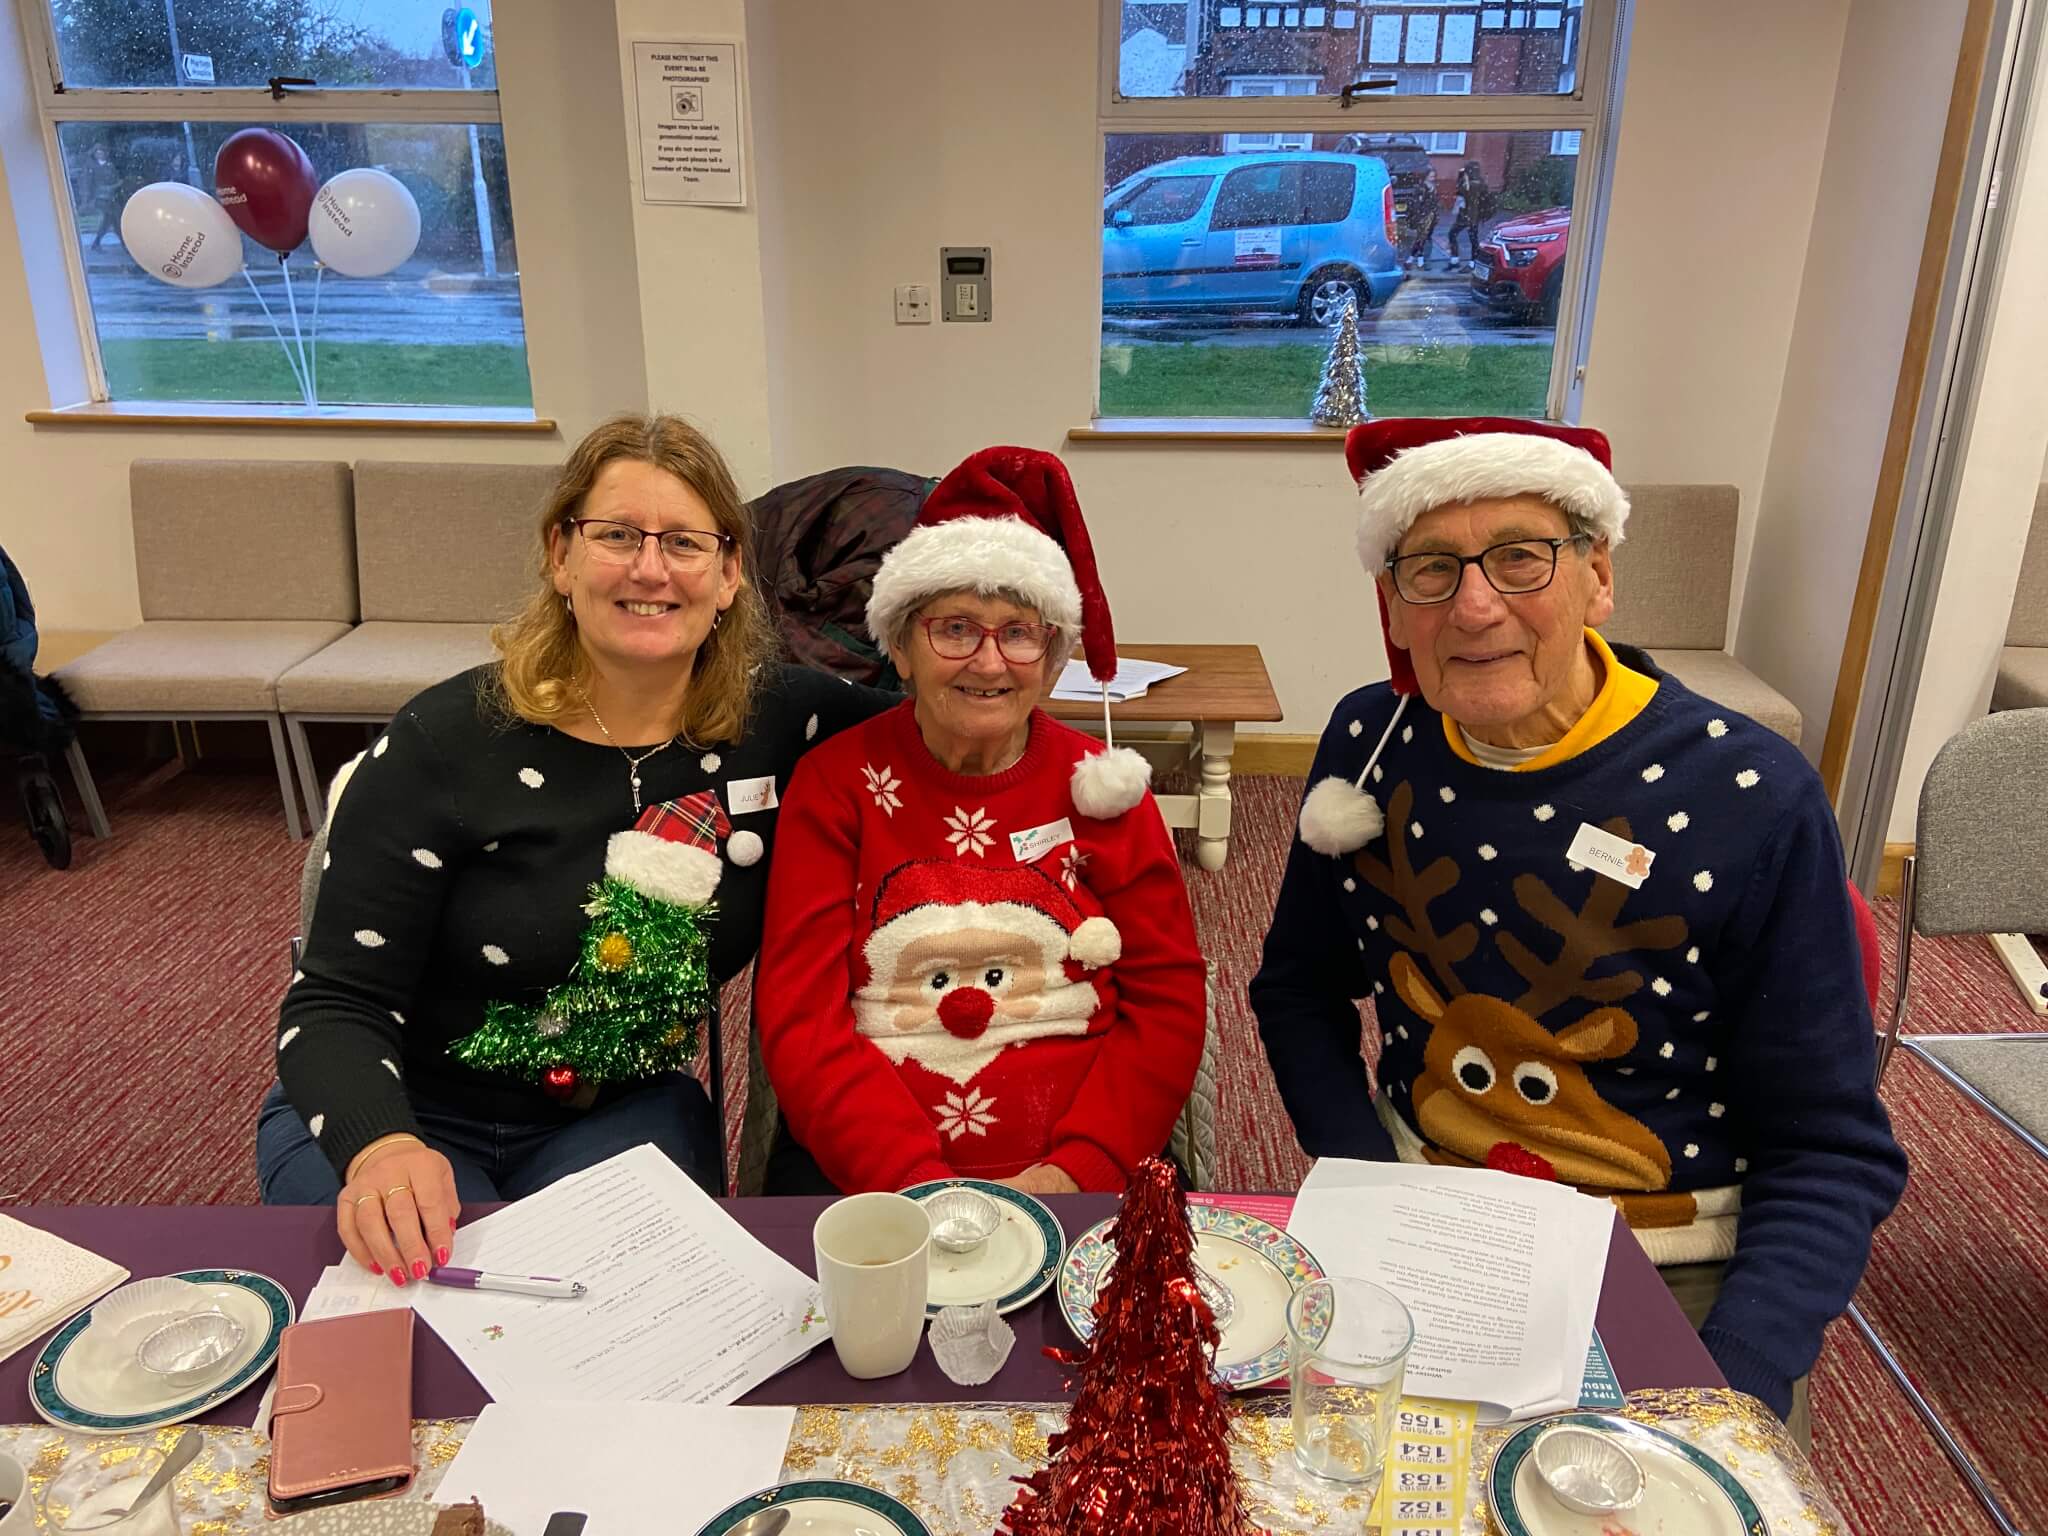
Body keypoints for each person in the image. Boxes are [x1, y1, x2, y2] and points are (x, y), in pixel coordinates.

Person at [1250, 417, 1907, 1441]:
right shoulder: (1367, 744)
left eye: (1518, 557)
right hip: (1422, 1216)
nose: (1474, 606)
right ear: (1392, 602)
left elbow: (1826, 1146)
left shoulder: (1747, 793)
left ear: (1595, 576)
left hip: (1663, 1257)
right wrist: (1363, 1186)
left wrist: (1727, 1391)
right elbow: (1296, 985)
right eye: (1430, 568)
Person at [256, 414, 890, 1284]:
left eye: (685, 542)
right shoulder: (446, 742)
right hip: (405, 1107)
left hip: (619, 1111)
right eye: (617, 536)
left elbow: (960, 725)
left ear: (731, 573)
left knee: (635, 1331)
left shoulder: (785, 718)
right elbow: (333, 1001)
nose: (651, 567)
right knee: (421, 1340)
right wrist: (381, 1147)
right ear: (561, 556)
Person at [754, 447, 1205, 1196]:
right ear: (898, 644)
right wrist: (910, 1180)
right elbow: (802, 1018)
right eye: (955, 629)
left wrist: (1079, 1169)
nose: (989, 664)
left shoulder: (1102, 788)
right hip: (872, 1172)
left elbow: (1167, 998)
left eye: (1020, 634)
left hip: (1087, 1165)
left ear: (1054, 658)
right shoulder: (837, 785)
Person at [1445, 161, 1486, 265]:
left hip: (1467, 215)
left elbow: (1461, 190)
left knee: (1453, 234)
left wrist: (1461, 176)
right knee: (1473, 238)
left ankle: (1457, 259)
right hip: (1473, 215)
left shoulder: (1470, 184)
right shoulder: (1480, 182)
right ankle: (1471, 261)